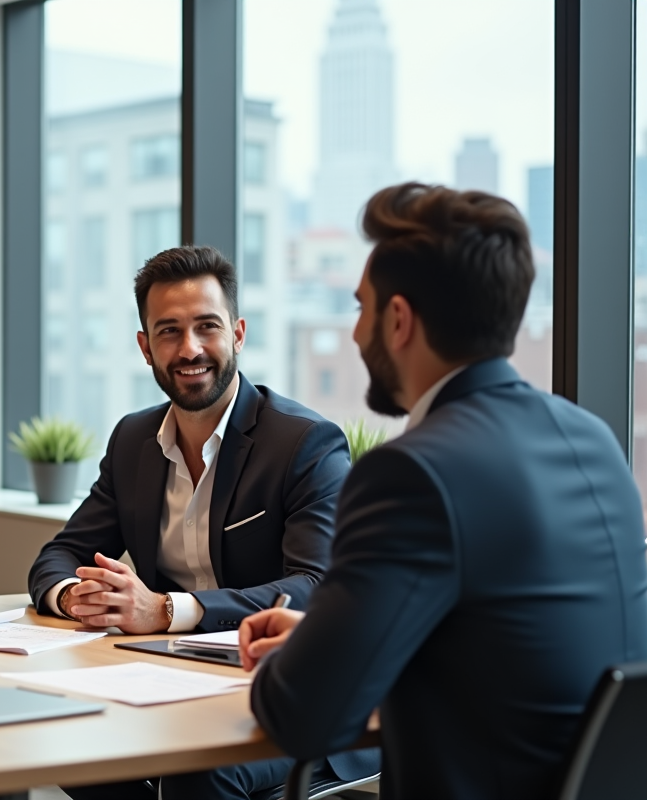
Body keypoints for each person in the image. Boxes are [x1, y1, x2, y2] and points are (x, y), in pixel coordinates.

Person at [237, 183, 647, 799]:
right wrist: (330, 639)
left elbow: (306, 716)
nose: (354, 336)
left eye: (361, 309)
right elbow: (513, 641)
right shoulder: (591, 438)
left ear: (398, 320)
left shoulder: (412, 473)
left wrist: (303, 665)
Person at [27, 245, 378, 800]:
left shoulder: (304, 443)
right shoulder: (132, 441)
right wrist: (76, 597)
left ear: (237, 333)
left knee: (198, 770)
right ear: (145, 348)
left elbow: (316, 588)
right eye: (168, 331)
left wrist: (166, 610)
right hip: (174, 682)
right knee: (65, 737)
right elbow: (57, 556)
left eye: (206, 327)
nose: (189, 348)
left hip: (295, 692)